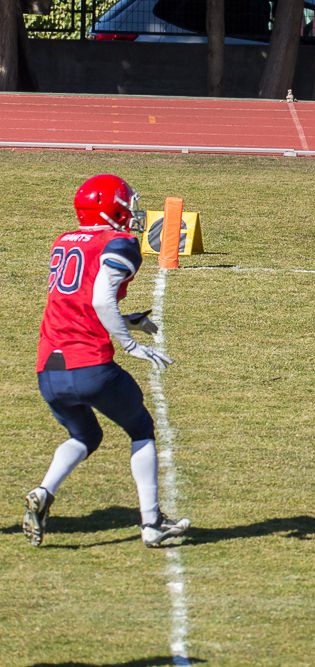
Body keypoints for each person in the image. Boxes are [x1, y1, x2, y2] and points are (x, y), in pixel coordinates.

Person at [24, 174, 190, 548]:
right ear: (111, 206)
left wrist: (129, 318)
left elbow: (77, 302)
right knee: (141, 429)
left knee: (85, 435)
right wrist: (130, 344)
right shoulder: (118, 242)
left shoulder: (64, 240)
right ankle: (152, 523)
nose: (131, 210)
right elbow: (101, 299)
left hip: (49, 368)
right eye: (126, 202)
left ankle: (44, 491)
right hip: (90, 364)